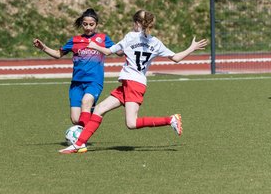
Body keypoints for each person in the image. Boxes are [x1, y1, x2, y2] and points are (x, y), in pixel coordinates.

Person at [59, 9, 208, 154]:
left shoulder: (131, 36)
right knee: (98, 109)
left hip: (133, 84)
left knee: (131, 123)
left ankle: (170, 120)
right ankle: (78, 144)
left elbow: (109, 51)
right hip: (130, 83)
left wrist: (95, 46)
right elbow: (176, 58)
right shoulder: (155, 42)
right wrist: (192, 48)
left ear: (137, 23)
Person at [33, 8, 116, 128]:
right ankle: (96, 112)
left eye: (91, 24)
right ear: (81, 24)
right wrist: (43, 47)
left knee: (86, 102)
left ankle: (81, 141)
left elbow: (117, 50)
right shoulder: (74, 40)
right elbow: (58, 54)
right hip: (76, 83)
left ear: (96, 24)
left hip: (94, 81)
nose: (88, 27)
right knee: (76, 119)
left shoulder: (103, 39)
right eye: (85, 24)